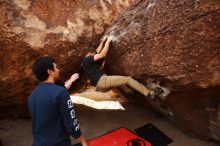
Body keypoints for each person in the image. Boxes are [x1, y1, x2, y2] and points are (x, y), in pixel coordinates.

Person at [28, 56, 88, 146]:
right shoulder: (60, 93)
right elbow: (71, 124)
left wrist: (71, 80)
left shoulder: (32, 95)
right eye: (56, 67)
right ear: (50, 71)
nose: (58, 70)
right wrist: (83, 141)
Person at [82, 36, 164, 99]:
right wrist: (108, 41)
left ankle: (129, 91)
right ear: (88, 54)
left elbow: (97, 51)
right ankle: (150, 93)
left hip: (100, 87)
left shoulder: (87, 63)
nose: (94, 54)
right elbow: (101, 54)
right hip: (102, 82)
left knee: (118, 80)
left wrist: (103, 41)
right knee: (127, 79)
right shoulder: (87, 59)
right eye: (92, 53)